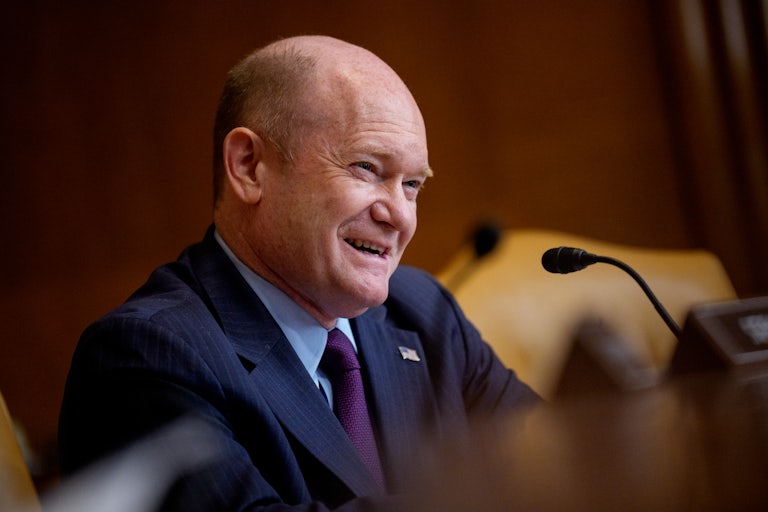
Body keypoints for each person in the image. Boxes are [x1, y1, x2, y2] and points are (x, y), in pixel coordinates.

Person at [58, 35, 538, 511]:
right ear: (249, 167)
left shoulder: (424, 313)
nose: (400, 215)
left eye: (412, 185)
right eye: (367, 168)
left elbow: (560, 463)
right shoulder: (146, 356)